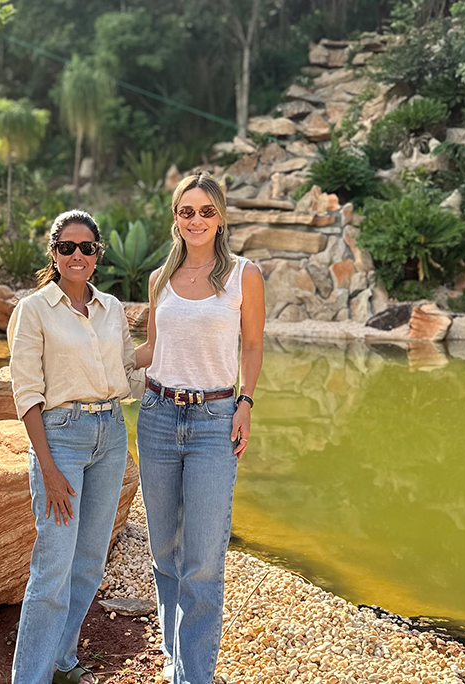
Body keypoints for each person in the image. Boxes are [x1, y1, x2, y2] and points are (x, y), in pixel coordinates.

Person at [8, 210, 148, 684]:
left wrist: (176, 349)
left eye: (86, 247)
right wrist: (47, 467)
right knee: (52, 569)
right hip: (61, 439)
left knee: (89, 563)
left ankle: (62, 660)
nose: (77, 255)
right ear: (54, 252)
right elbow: (27, 393)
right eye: (67, 247)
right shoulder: (34, 310)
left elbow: (126, 376)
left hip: (111, 435)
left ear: (97, 254)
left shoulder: (111, 308)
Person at [137, 172, 265, 684]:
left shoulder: (243, 275)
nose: (196, 220)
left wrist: (246, 401)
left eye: (206, 211)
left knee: (205, 559)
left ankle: (195, 676)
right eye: (187, 211)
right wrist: (89, 355)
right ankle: (175, 658)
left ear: (220, 217)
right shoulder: (158, 279)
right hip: (157, 416)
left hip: (215, 421)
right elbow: (151, 350)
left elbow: (251, 345)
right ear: (175, 217)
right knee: (164, 550)